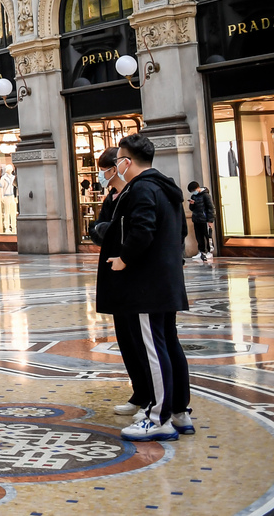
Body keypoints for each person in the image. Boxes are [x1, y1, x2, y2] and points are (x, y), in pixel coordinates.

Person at [97, 134, 192, 442]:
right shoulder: (165, 187)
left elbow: (142, 230)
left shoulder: (142, 189)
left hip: (146, 286)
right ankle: (179, 411)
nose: (116, 165)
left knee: (153, 349)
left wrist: (124, 258)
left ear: (126, 161)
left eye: (119, 160)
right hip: (165, 281)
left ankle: (159, 418)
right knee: (168, 345)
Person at [90, 147, 148, 418]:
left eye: (103, 169)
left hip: (135, 277)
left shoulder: (136, 193)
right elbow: (99, 229)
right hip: (114, 276)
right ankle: (139, 392)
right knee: (125, 338)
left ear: (116, 167)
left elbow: (139, 233)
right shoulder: (110, 198)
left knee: (141, 339)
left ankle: (152, 396)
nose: (101, 175)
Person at [187, 181, 214, 262]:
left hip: (204, 219)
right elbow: (191, 209)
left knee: (208, 236)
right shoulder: (194, 196)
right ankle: (201, 251)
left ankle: (210, 251)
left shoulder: (206, 195)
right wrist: (192, 204)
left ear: (198, 188)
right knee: (199, 236)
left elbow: (211, 208)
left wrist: (210, 220)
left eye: (194, 190)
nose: (193, 192)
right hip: (196, 219)